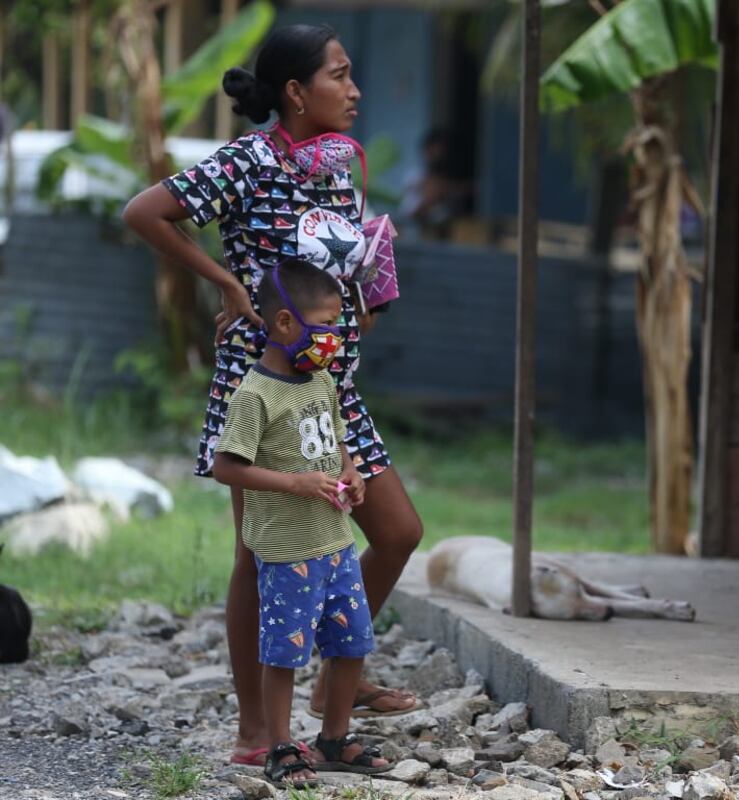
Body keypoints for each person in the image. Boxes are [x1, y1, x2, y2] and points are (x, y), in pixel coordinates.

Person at [122, 23, 424, 767]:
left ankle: (329, 693)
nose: (354, 91)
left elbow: (336, 267)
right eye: (340, 76)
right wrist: (225, 280)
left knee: (397, 533)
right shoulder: (248, 161)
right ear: (296, 91)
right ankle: (257, 731)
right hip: (259, 386)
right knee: (258, 555)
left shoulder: (336, 166)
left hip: (330, 389)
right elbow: (144, 212)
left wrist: (364, 305)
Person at [212, 259, 393, 788]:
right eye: (325, 327)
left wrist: (351, 472)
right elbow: (227, 466)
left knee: (351, 642)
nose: (333, 339)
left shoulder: (319, 382)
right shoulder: (255, 394)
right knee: (285, 651)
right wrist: (294, 483)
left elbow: (336, 438)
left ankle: (334, 738)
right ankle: (281, 746)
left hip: (336, 542)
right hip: (288, 551)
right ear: (286, 324)